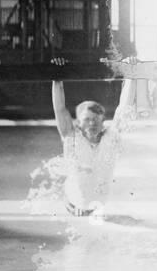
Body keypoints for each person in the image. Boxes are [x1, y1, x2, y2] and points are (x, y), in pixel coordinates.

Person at [53, 75, 136, 216]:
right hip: (75, 202)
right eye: (87, 119)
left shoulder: (110, 138)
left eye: (96, 119)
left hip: (101, 202)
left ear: (103, 121)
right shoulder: (72, 137)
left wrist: (131, 77)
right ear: (78, 123)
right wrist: (57, 78)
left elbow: (124, 107)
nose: (92, 123)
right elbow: (60, 109)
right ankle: (70, 199)